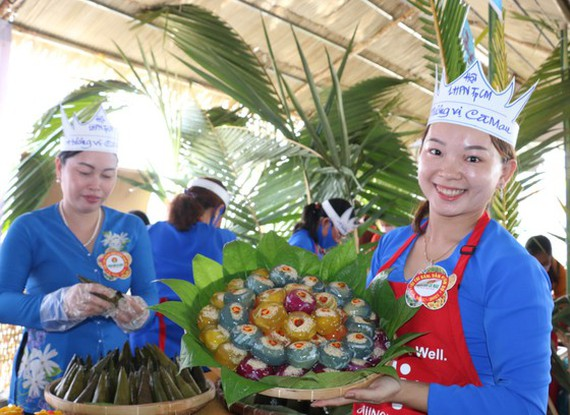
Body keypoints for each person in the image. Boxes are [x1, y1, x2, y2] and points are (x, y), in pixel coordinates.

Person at [312, 60, 553, 414]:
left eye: (473, 157)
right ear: (419, 155)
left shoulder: (512, 271)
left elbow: (523, 405)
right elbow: (360, 341)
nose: (449, 171)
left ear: (505, 173)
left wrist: (404, 391)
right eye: (436, 151)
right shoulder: (392, 247)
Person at [0, 105, 158, 413]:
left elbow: (149, 295)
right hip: (46, 375)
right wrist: (57, 303)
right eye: (84, 172)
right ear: (60, 168)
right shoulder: (29, 228)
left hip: (114, 377)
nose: (96, 185)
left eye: (107, 174)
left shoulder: (131, 229)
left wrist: (140, 312)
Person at [130, 177, 236, 358]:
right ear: (219, 210)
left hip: (148, 334)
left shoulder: (148, 232)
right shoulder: (226, 240)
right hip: (200, 337)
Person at [288, 198, 357, 257]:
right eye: (339, 235)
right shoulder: (301, 243)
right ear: (326, 222)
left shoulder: (316, 246)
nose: (338, 241)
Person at [526, 234, 567, 299]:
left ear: (551, 257)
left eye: (544, 263)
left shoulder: (559, 272)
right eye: (536, 264)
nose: (541, 269)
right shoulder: (519, 272)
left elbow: (563, 302)